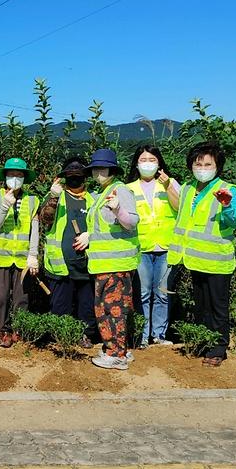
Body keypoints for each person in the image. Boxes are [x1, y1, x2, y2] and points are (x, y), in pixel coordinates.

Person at [168, 142, 236, 367]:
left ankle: (219, 347)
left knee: (218, 307)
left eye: (207, 163)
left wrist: (228, 205)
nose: (202, 167)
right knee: (201, 306)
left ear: (217, 166)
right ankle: (203, 342)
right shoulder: (189, 189)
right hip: (195, 259)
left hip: (217, 261)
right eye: (197, 163)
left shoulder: (227, 189)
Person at [84, 148, 140, 370]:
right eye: (95, 168)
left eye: (102, 168)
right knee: (110, 308)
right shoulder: (103, 193)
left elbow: (132, 222)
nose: (98, 172)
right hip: (105, 264)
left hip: (115, 265)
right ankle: (119, 349)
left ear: (112, 170)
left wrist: (118, 210)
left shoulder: (120, 191)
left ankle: (116, 354)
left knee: (111, 309)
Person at [39, 156, 98, 347]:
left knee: (87, 305)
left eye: (79, 175)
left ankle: (85, 335)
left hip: (87, 263)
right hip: (60, 264)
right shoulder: (57, 197)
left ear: (85, 177)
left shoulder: (93, 199)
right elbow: (45, 220)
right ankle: (60, 337)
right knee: (60, 305)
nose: (75, 179)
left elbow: (102, 226)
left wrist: (91, 236)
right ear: (64, 177)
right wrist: (53, 197)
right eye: (70, 176)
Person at [125, 146, 181, 349]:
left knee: (163, 293)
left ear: (159, 163)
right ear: (137, 164)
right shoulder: (129, 188)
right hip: (141, 247)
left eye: (152, 159)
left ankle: (159, 334)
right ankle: (141, 336)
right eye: (143, 159)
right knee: (143, 293)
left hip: (166, 247)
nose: (147, 163)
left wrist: (168, 186)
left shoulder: (170, 183)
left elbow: (179, 208)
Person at [0, 157, 40, 348]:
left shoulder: (33, 200)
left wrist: (33, 256)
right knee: (0, 296)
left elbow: (35, 230)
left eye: (19, 175)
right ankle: (2, 330)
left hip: (23, 258)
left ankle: (19, 329)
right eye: (11, 174)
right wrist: (5, 205)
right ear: (5, 176)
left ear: (24, 178)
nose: (15, 178)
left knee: (21, 297)